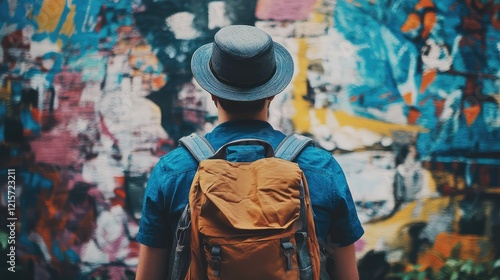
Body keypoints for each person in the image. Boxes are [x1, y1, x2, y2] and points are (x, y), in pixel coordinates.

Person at [135, 25, 364, 280]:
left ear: (211, 93)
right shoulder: (321, 168)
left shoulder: (173, 170)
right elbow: (347, 274)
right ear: (273, 93)